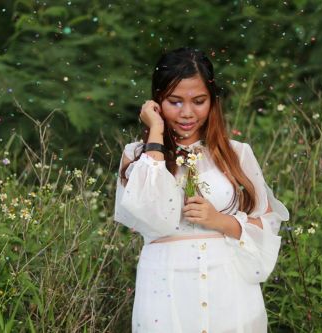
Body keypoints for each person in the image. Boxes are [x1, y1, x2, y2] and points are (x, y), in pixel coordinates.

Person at [114, 47, 289, 333]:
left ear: (212, 101)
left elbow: (266, 225)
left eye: (199, 101)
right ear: (157, 101)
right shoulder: (137, 157)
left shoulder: (237, 154)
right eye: (174, 102)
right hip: (165, 286)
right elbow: (150, 216)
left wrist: (218, 221)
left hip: (229, 287)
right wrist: (156, 134)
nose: (187, 113)